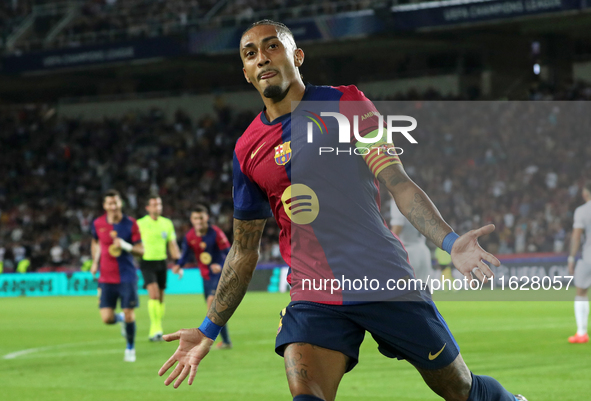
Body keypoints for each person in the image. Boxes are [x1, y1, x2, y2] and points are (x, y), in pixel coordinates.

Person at [158, 20, 527, 401]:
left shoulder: (345, 103)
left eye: (272, 47)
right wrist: (209, 328)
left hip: (382, 280)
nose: (261, 59)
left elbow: (397, 182)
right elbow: (244, 248)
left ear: (297, 55)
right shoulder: (246, 149)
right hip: (313, 293)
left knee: (460, 389)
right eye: (250, 54)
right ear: (247, 74)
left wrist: (451, 242)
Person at [91, 189, 144, 362]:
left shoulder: (131, 224)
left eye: (116, 202)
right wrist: (94, 262)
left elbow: (141, 250)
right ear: (105, 206)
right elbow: (96, 242)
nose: (113, 206)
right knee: (107, 318)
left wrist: (125, 245)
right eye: (109, 203)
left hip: (126, 277)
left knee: (130, 313)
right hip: (106, 277)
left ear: (121, 203)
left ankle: (130, 348)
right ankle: (119, 318)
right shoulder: (98, 223)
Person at [172, 204, 232, 349]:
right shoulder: (190, 236)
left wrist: (220, 264)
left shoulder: (216, 233)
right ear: (191, 220)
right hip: (205, 277)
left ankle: (207, 339)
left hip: (220, 276)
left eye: (201, 217)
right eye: (195, 218)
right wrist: (179, 265)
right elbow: (185, 254)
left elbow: (229, 253)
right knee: (215, 310)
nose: (198, 221)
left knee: (212, 304)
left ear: (207, 218)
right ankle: (226, 341)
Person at [137, 195, 182, 342]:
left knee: (161, 297)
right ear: (147, 208)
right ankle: (154, 329)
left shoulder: (167, 223)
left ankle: (158, 326)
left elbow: (172, 244)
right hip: (147, 262)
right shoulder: (140, 224)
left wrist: (178, 263)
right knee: (154, 294)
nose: (158, 207)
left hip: (161, 262)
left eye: (159, 204)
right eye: (154, 205)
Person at [567, 180, 591, 344]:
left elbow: (576, 236)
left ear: (586, 193)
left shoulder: (582, 211)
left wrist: (571, 258)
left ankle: (581, 333)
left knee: (581, 293)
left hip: (588, 257)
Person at [390, 197, 434, 284]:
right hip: (423, 250)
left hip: (408, 253)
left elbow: (397, 227)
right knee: (425, 292)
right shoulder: (417, 198)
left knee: (402, 291)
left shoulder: (398, 200)